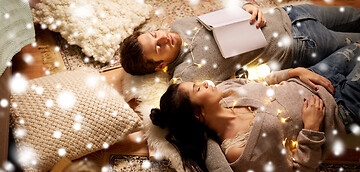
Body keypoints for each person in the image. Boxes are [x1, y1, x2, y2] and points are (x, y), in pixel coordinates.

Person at [149, 43, 360, 172]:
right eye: (198, 88)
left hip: (313, 77)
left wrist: (295, 72)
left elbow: (264, 80)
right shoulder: (239, 151)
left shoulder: (224, 91)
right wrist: (312, 129)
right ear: (198, 114)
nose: (205, 83)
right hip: (340, 108)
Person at [120, 3, 360, 84]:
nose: (163, 38)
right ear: (158, 66)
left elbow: (225, 17)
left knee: (353, 14)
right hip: (300, 44)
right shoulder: (188, 75)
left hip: (289, 13)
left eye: (154, 35)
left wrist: (248, 6)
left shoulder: (178, 25)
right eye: (158, 48)